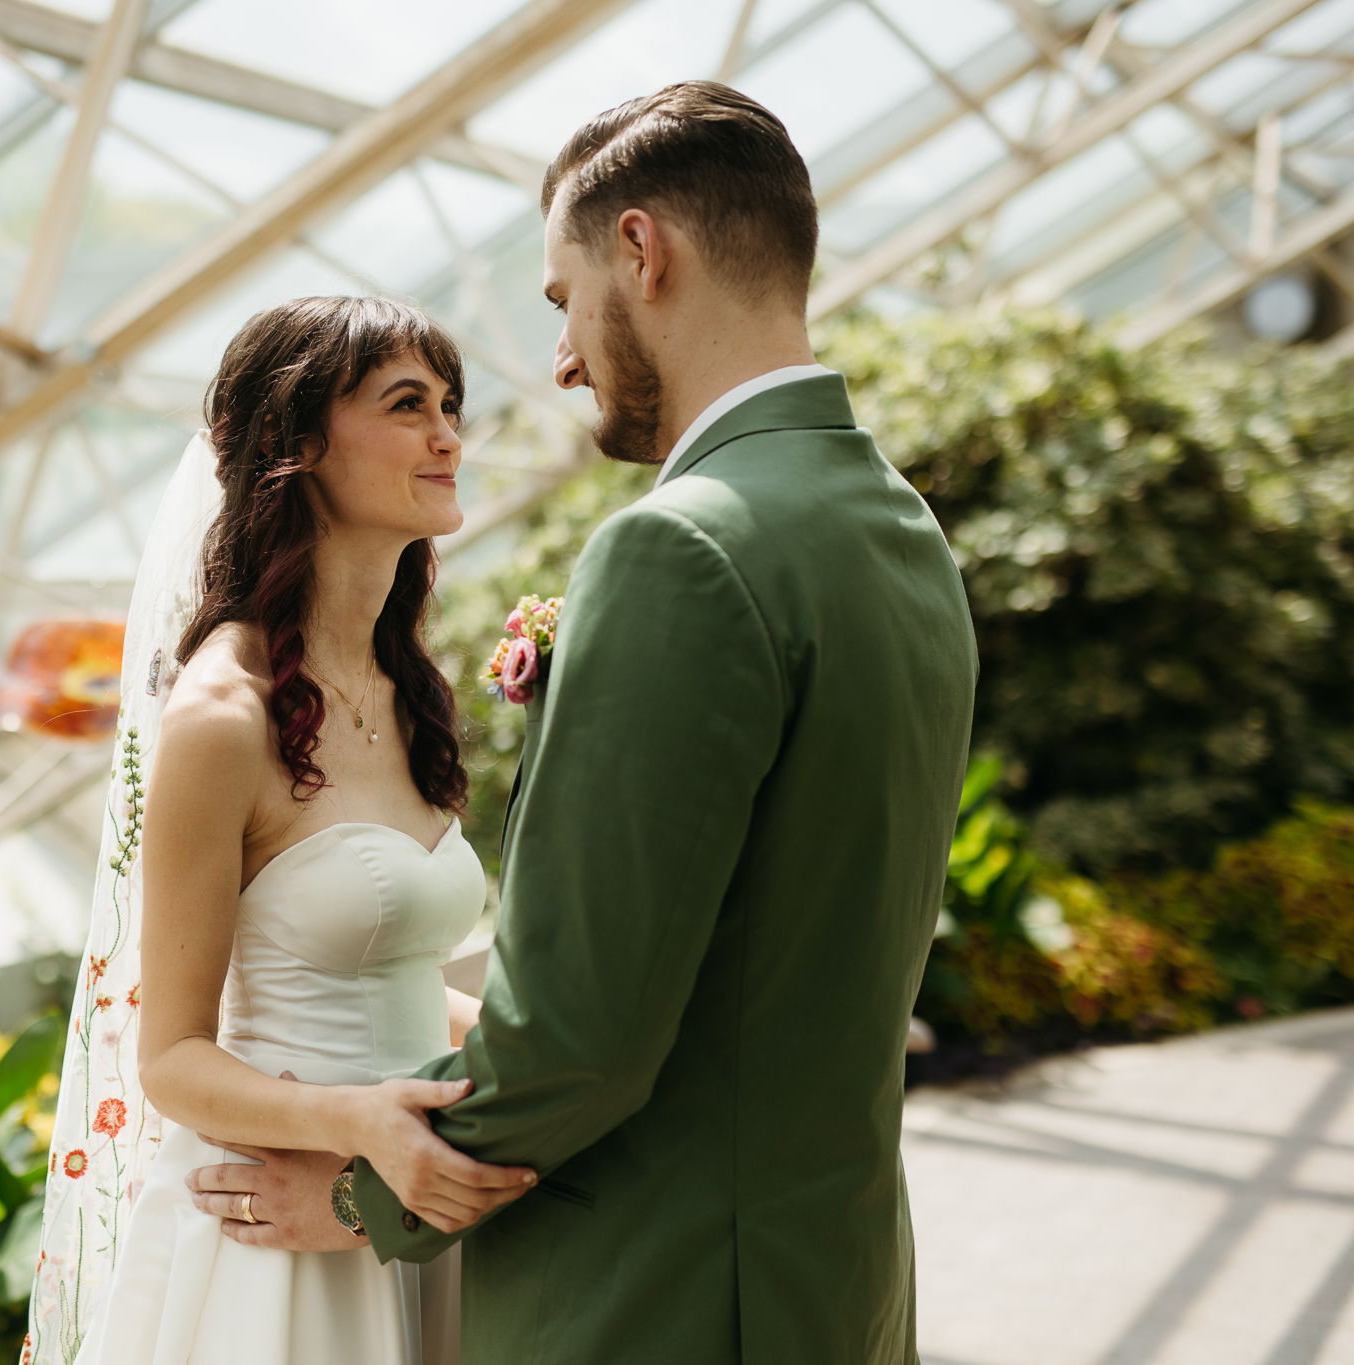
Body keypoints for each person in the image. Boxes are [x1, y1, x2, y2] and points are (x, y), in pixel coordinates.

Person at [185, 83, 979, 1364]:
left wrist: (360, 1199)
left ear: (639, 251)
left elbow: (581, 1035)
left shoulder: (682, 550)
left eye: (560, 301)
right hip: (828, 1280)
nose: (558, 359)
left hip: (651, 1294)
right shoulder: (893, 529)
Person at [23, 295, 534, 1365]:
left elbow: (388, 979)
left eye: (449, 403)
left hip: (410, 1204)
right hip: (279, 1239)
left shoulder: (405, 687)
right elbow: (169, 1060)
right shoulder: (221, 717)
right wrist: (356, 1126)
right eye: (407, 405)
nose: (447, 434)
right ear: (295, 447)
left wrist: (524, 1049)